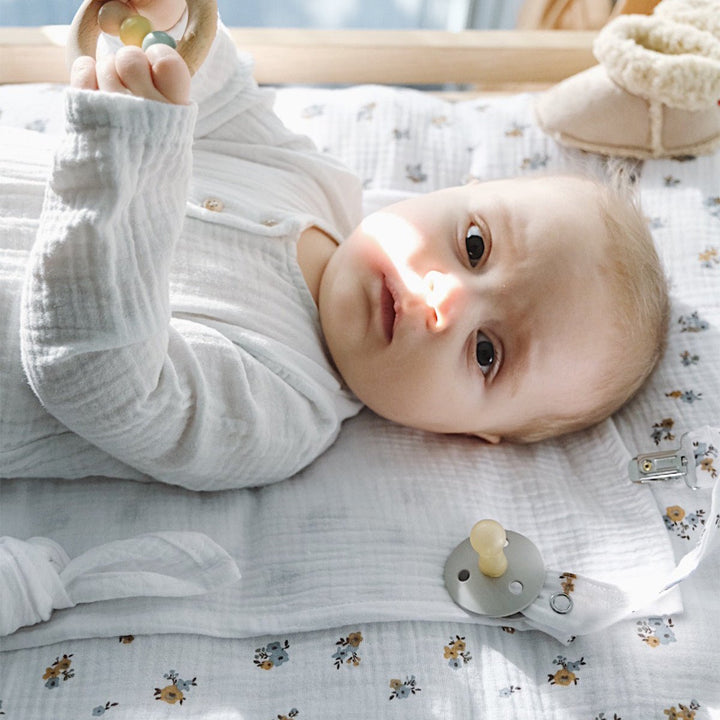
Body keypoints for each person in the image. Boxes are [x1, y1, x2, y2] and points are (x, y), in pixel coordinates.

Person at [1, 0, 668, 490]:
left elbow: (93, 377)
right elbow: (224, 101)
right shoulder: (319, 185)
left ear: (469, 435)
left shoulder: (278, 416)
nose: (445, 299)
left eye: (488, 353)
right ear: (456, 190)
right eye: (473, 245)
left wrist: (117, 154)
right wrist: (173, 26)